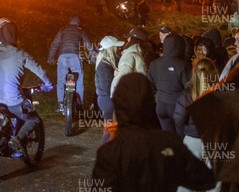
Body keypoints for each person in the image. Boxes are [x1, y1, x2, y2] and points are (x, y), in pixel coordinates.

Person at [92, 73, 216, 191]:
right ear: (149, 102)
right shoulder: (169, 143)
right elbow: (204, 179)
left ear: (118, 105)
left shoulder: (109, 152)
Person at [0, 22, 53, 155]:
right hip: (13, 101)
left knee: (1, 120)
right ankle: (17, 139)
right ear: (14, 35)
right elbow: (39, 70)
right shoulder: (20, 54)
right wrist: (49, 84)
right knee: (34, 119)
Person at [173, 58, 221, 192]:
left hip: (193, 139)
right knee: (215, 181)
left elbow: (178, 117)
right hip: (215, 141)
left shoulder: (187, 94)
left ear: (195, 73)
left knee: (186, 180)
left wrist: (184, 132)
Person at [48, 16, 95, 113]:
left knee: (60, 80)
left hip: (62, 57)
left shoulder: (62, 30)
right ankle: (80, 104)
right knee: (79, 81)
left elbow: (54, 44)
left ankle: (60, 103)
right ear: (78, 23)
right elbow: (88, 45)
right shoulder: (80, 30)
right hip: (74, 57)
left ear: (69, 22)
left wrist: (51, 58)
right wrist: (93, 57)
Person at [147, 34, 191, 133]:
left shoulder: (154, 64)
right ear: (181, 47)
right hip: (178, 106)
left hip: (161, 106)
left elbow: (149, 85)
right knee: (181, 139)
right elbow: (189, 88)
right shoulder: (183, 65)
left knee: (169, 137)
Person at [95, 35, 124, 143]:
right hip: (108, 101)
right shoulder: (104, 66)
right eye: (116, 47)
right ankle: (106, 152)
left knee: (111, 130)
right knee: (110, 130)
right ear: (110, 49)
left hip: (107, 100)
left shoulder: (107, 64)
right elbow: (107, 87)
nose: (118, 48)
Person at [110, 27, 152, 96]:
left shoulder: (129, 55)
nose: (127, 39)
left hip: (127, 98)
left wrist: (114, 97)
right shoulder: (144, 54)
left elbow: (122, 81)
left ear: (133, 40)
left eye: (129, 37)